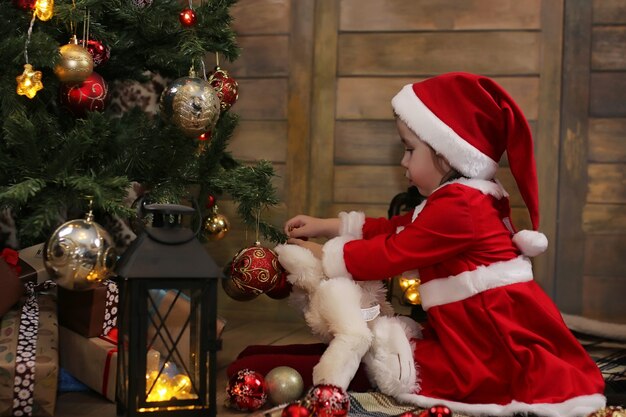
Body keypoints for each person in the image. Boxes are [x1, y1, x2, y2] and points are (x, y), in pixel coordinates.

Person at [227, 72, 606, 416]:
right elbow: (398, 226)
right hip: (472, 327)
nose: (404, 162)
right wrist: (331, 224)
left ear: (446, 154)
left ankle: (273, 367)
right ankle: (267, 361)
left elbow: (393, 253)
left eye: (409, 150)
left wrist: (325, 257)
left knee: (414, 368)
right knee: (395, 352)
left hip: (490, 337)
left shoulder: (462, 207)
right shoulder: (457, 198)